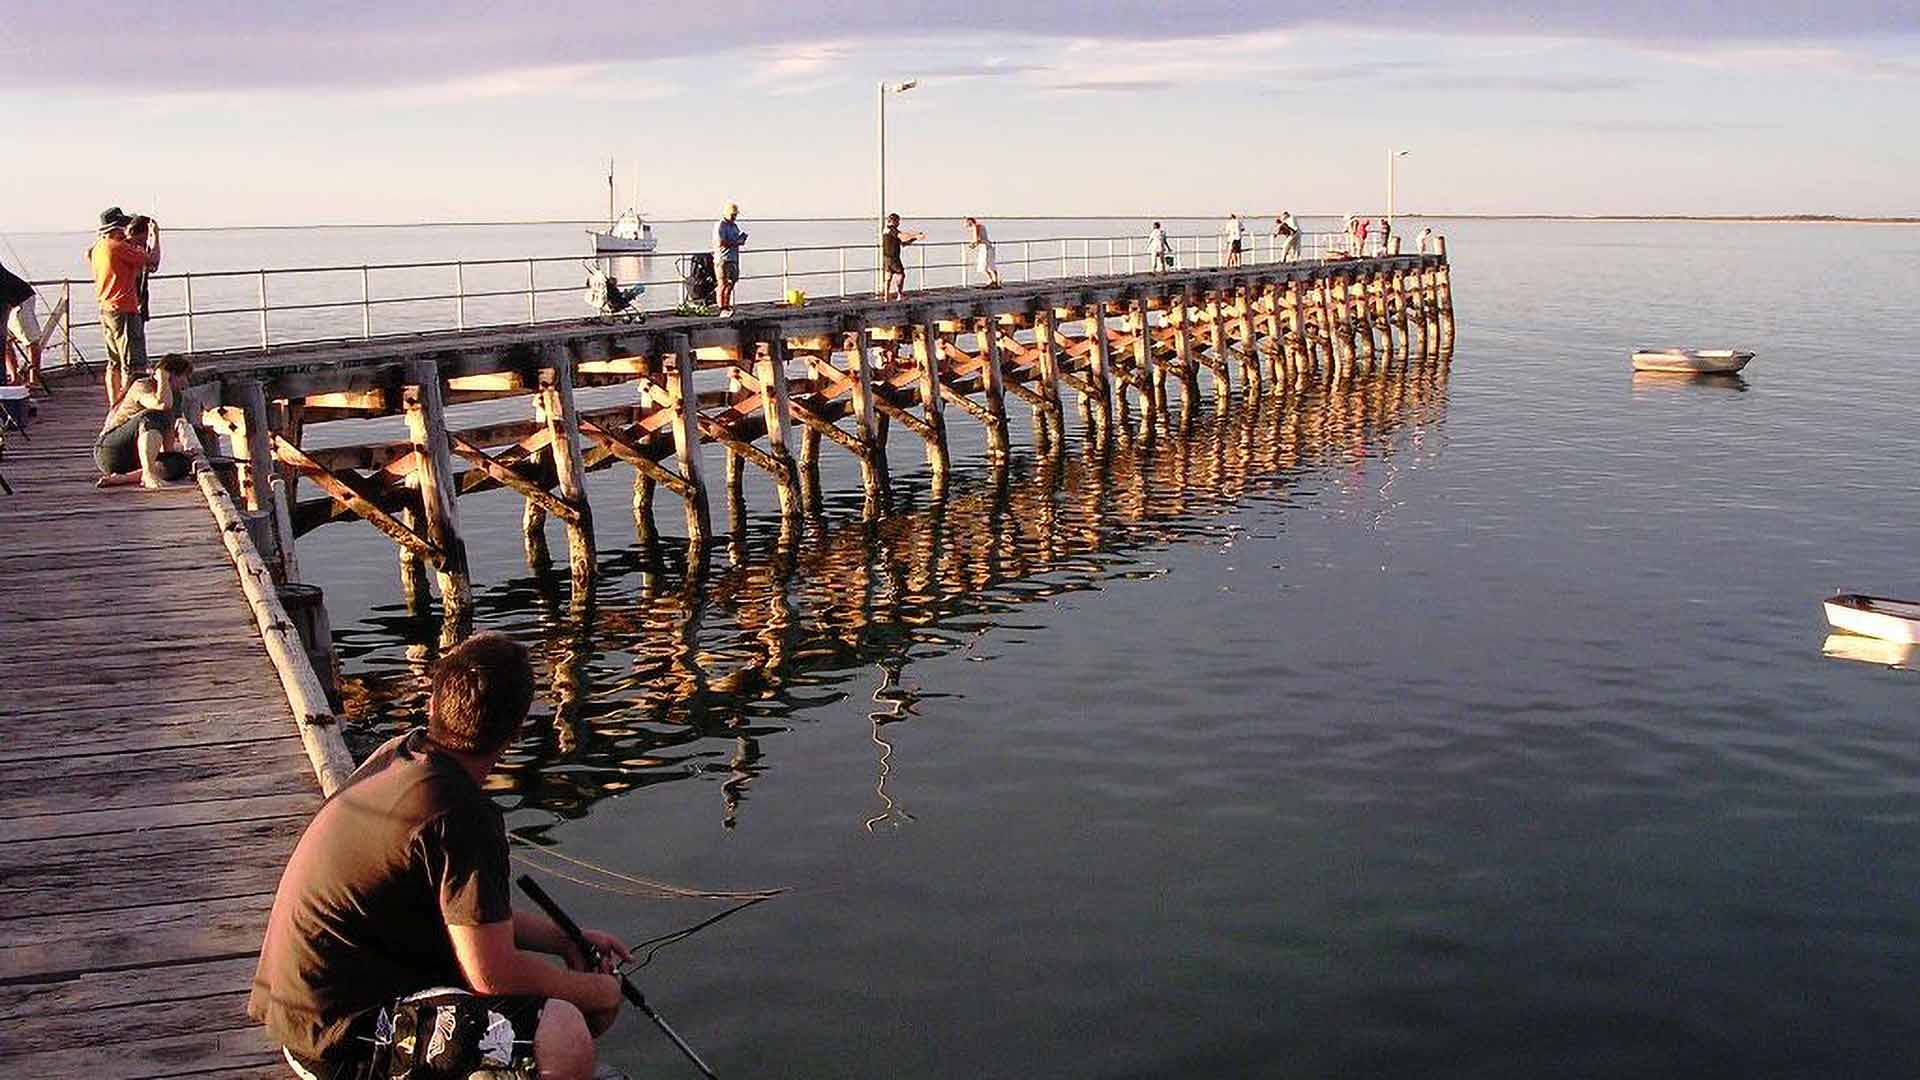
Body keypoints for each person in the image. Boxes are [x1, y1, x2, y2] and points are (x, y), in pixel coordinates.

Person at [250, 632, 630, 1080]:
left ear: (434, 705)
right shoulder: (459, 814)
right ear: (516, 733)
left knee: (547, 1012)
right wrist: (594, 992)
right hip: (340, 1044)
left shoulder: (400, 755)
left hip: (303, 1016)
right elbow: (493, 974)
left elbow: (471, 924)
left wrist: (564, 939)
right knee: (562, 1032)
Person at [88, 207, 159, 405]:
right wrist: (156, 237)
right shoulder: (118, 247)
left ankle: (114, 403)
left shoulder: (98, 248)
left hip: (106, 308)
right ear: (116, 227)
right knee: (133, 363)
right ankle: (128, 405)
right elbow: (152, 261)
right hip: (124, 309)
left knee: (114, 362)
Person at [94, 352, 192, 488]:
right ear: (172, 374)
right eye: (184, 377)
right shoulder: (142, 385)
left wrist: (172, 455)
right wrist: (163, 376)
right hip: (112, 450)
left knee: (183, 463)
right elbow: (161, 405)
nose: (186, 383)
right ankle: (148, 473)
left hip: (138, 458)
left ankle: (126, 478)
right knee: (152, 415)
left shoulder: (174, 397)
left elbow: (167, 444)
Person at [0, 259, 43, 388]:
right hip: (6, 301)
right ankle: (14, 377)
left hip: (20, 299)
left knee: (30, 339)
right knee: (5, 340)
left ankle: (34, 380)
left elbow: (5, 291)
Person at [713, 202, 747, 316]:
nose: (734, 217)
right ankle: (721, 307)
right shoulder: (720, 225)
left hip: (733, 258)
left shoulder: (734, 226)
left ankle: (727, 305)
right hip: (723, 259)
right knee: (722, 283)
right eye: (733, 215)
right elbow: (721, 243)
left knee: (732, 282)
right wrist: (736, 242)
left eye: (735, 215)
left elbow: (736, 238)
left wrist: (741, 239)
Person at [880, 213, 924, 301]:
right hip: (893, 257)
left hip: (886, 256)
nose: (899, 223)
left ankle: (886, 297)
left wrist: (914, 239)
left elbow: (903, 243)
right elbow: (903, 237)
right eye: (898, 221)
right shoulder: (891, 230)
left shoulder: (887, 230)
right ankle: (899, 295)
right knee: (900, 275)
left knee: (888, 275)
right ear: (893, 221)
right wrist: (915, 235)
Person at [963, 217, 1001, 288]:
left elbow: (976, 240)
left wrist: (971, 246)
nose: (965, 224)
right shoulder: (981, 226)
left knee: (982, 267)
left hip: (984, 248)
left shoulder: (975, 227)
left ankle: (991, 280)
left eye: (966, 222)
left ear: (970, 221)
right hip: (989, 246)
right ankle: (995, 282)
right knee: (991, 265)